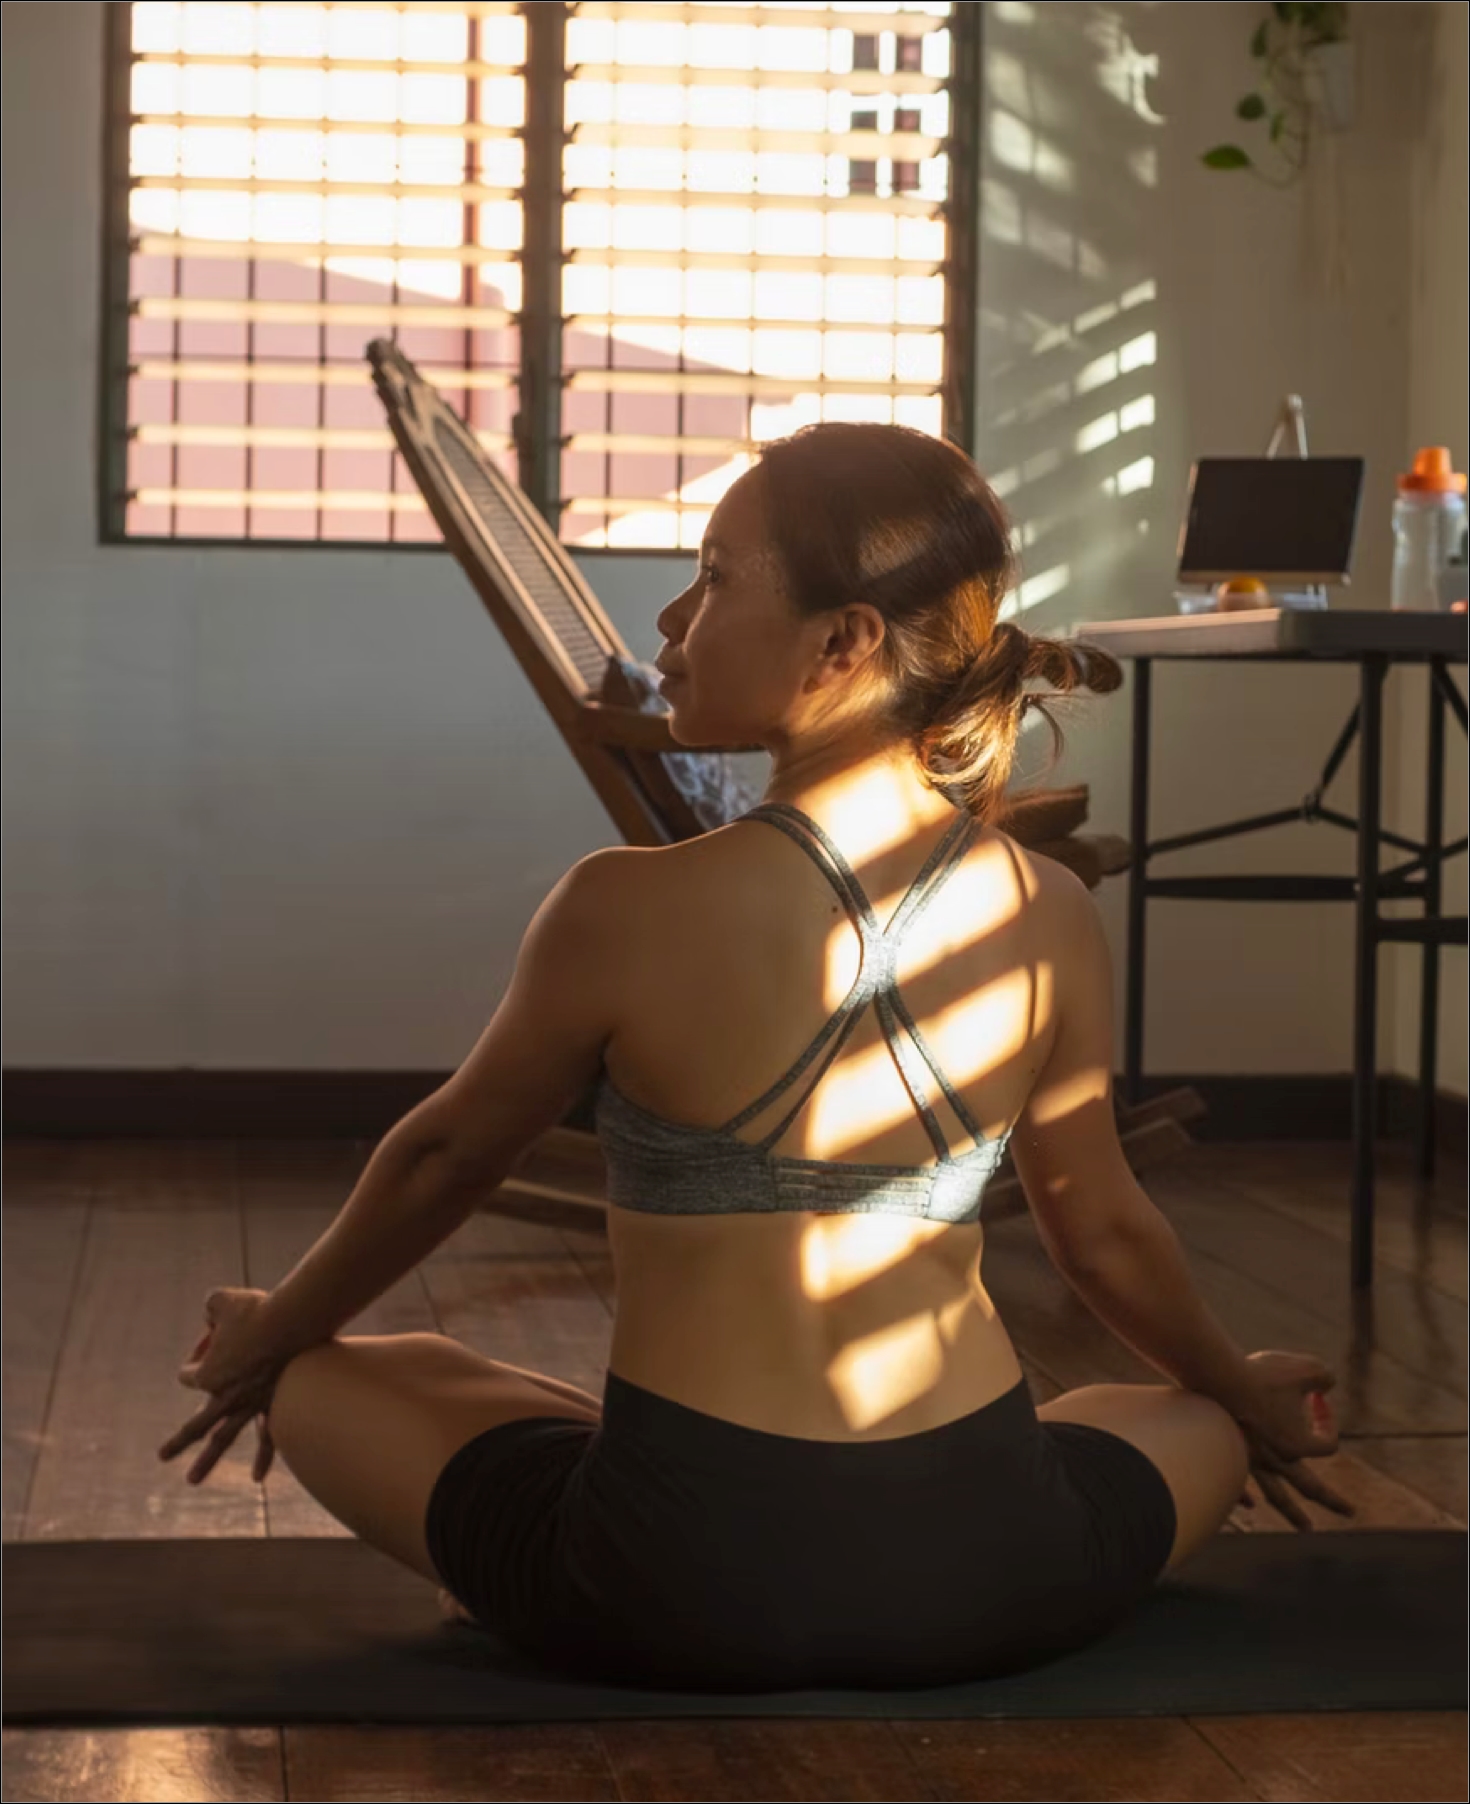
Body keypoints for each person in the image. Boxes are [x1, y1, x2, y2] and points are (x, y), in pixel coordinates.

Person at [159, 421, 1351, 1694]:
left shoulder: (619, 902)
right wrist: (1244, 1392)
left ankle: (511, 1518)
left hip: (679, 1581)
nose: (670, 620)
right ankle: (1214, 1413)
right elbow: (1101, 1226)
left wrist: (269, 1333)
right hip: (995, 1569)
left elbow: (446, 1157)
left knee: (341, 1376)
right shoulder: (1046, 905)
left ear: (842, 643)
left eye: (717, 577)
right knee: (1172, 1409)